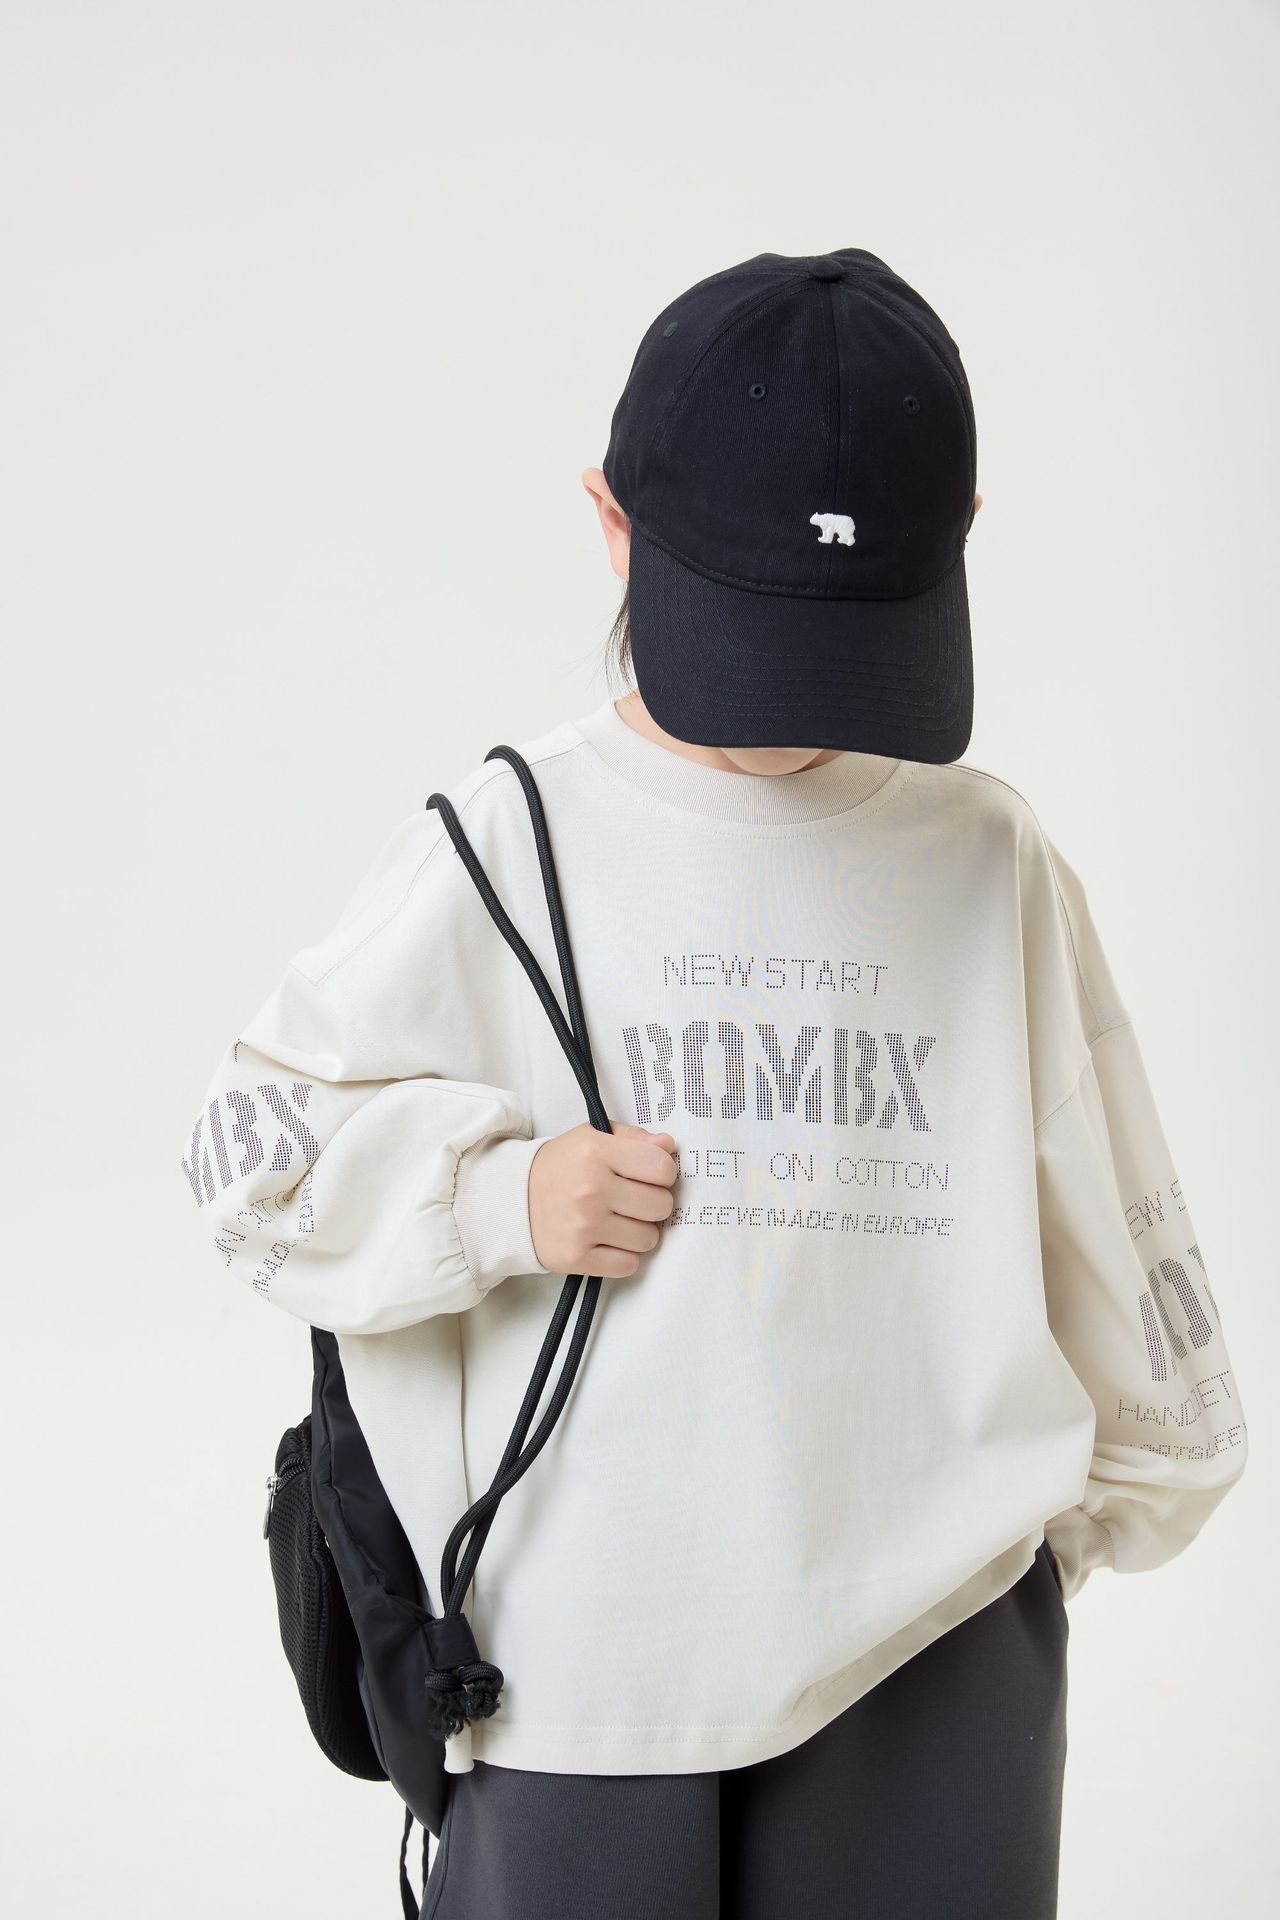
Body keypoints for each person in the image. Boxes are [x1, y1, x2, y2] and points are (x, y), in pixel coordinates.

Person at [181, 249, 1248, 1919]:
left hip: (934, 1646)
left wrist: (1060, 1539)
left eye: (849, 650)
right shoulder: (506, 843)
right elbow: (243, 1155)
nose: (792, 712)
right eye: (750, 641)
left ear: (960, 535)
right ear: (611, 524)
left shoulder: (987, 861)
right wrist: (495, 1200)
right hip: (583, 1667)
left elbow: (1107, 1207)